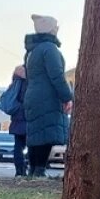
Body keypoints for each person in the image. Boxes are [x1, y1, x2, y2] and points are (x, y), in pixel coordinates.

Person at [23, 14, 73, 177]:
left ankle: (34, 169)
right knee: (46, 134)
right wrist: (67, 96)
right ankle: (39, 170)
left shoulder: (33, 50)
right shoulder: (49, 49)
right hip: (47, 98)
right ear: (51, 29)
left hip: (33, 96)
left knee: (36, 135)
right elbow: (57, 76)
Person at [0, 64, 29, 176]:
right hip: (27, 116)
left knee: (18, 145)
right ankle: (25, 169)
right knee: (29, 146)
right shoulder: (29, 82)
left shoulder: (16, 82)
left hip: (17, 117)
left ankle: (19, 170)